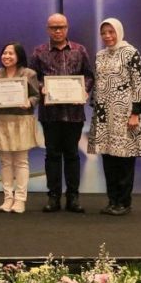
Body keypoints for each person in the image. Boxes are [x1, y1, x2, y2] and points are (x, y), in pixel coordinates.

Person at [29, 13, 94, 213]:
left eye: (61, 27)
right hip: (50, 114)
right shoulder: (39, 52)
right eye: (53, 27)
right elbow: (32, 79)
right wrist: (41, 87)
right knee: (52, 155)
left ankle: (73, 197)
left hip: (74, 113)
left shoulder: (79, 50)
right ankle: (53, 197)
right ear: (48, 29)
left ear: (67, 28)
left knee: (73, 155)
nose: (58, 31)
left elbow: (89, 76)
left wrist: (84, 89)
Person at [88, 18, 141, 216]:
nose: (107, 36)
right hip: (104, 114)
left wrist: (135, 113)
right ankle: (112, 200)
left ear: (119, 32)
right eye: (104, 33)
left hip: (124, 114)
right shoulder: (100, 55)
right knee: (108, 159)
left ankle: (124, 202)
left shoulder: (131, 52)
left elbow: (138, 83)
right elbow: (98, 83)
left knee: (124, 159)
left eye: (111, 32)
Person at [0, 42, 42, 214]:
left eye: (11, 53)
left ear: (19, 56)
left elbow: (36, 95)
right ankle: (7, 198)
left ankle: (20, 199)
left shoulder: (28, 73)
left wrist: (29, 102)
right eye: (4, 53)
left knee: (21, 161)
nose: (7, 56)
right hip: (1, 119)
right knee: (5, 162)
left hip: (21, 120)